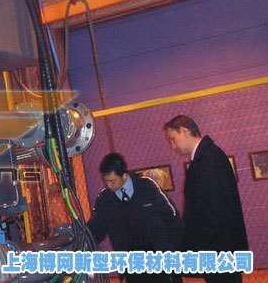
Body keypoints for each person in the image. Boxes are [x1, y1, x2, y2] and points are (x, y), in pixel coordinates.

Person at [164, 115, 248, 283]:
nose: (173, 146)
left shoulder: (208, 159)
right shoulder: (207, 157)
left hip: (219, 250)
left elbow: (215, 211)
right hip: (219, 249)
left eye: (173, 139)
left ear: (184, 131)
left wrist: (199, 246)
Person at [88, 153, 182, 283]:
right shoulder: (105, 199)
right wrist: (82, 238)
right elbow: (96, 228)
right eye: (106, 181)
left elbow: (172, 216)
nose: (109, 185)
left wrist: (170, 248)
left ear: (124, 175)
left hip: (158, 254)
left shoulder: (146, 186)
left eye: (112, 181)